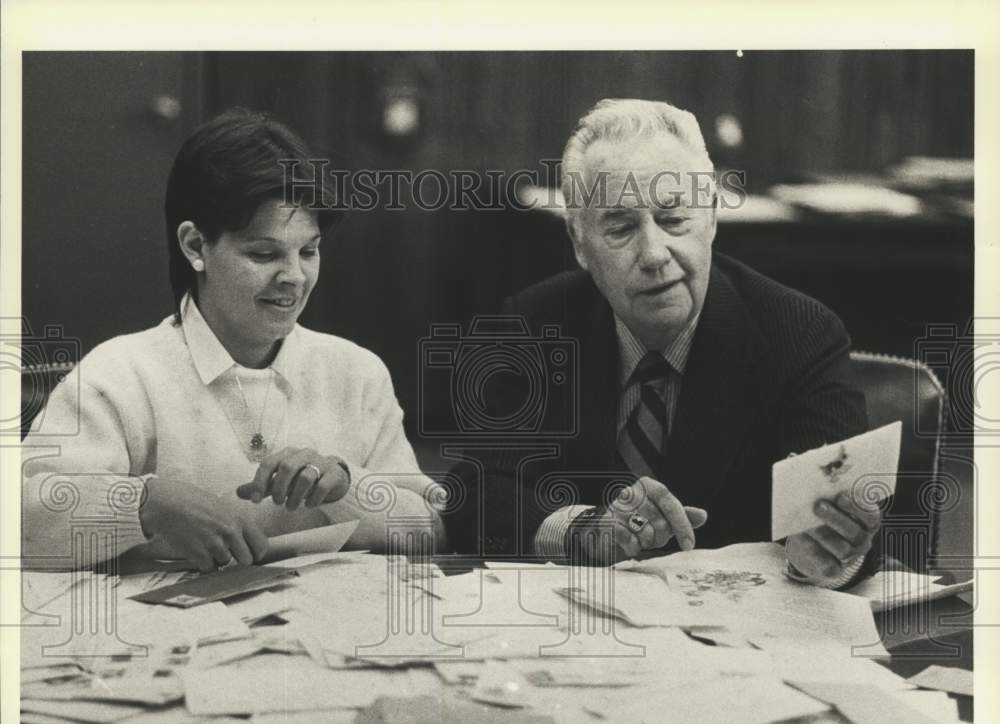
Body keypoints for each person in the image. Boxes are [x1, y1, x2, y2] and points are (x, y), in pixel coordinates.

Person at [444, 98, 880, 588]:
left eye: (673, 220)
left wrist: (826, 549)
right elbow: (473, 493)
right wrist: (585, 530)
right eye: (621, 227)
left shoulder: (800, 333)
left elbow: (850, 519)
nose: (653, 255)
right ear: (579, 243)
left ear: (712, 218)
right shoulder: (532, 324)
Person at [22, 109, 440, 572]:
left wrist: (347, 486)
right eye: (264, 254)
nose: (294, 278)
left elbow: (428, 528)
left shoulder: (356, 373)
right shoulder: (119, 375)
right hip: (170, 640)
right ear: (195, 246)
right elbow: (22, 522)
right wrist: (142, 503)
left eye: (309, 250)